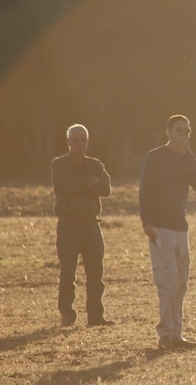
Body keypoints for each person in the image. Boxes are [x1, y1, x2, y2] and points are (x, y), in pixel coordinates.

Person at [139, 114, 196, 349]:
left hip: (180, 227)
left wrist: (188, 154)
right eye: (179, 130)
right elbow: (145, 191)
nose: (182, 135)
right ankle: (165, 336)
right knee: (167, 281)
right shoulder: (155, 157)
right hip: (160, 226)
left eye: (187, 131)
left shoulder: (186, 159)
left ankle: (177, 335)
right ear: (168, 131)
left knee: (181, 282)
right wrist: (147, 222)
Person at [51, 124, 114, 327]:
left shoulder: (96, 164)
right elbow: (65, 186)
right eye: (76, 140)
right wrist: (89, 182)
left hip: (91, 226)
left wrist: (83, 184)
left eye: (83, 140)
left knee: (96, 273)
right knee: (68, 272)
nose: (79, 144)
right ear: (68, 142)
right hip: (68, 225)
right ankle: (67, 314)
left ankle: (96, 315)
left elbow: (106, 189)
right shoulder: (59, 164)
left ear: (87, 142)